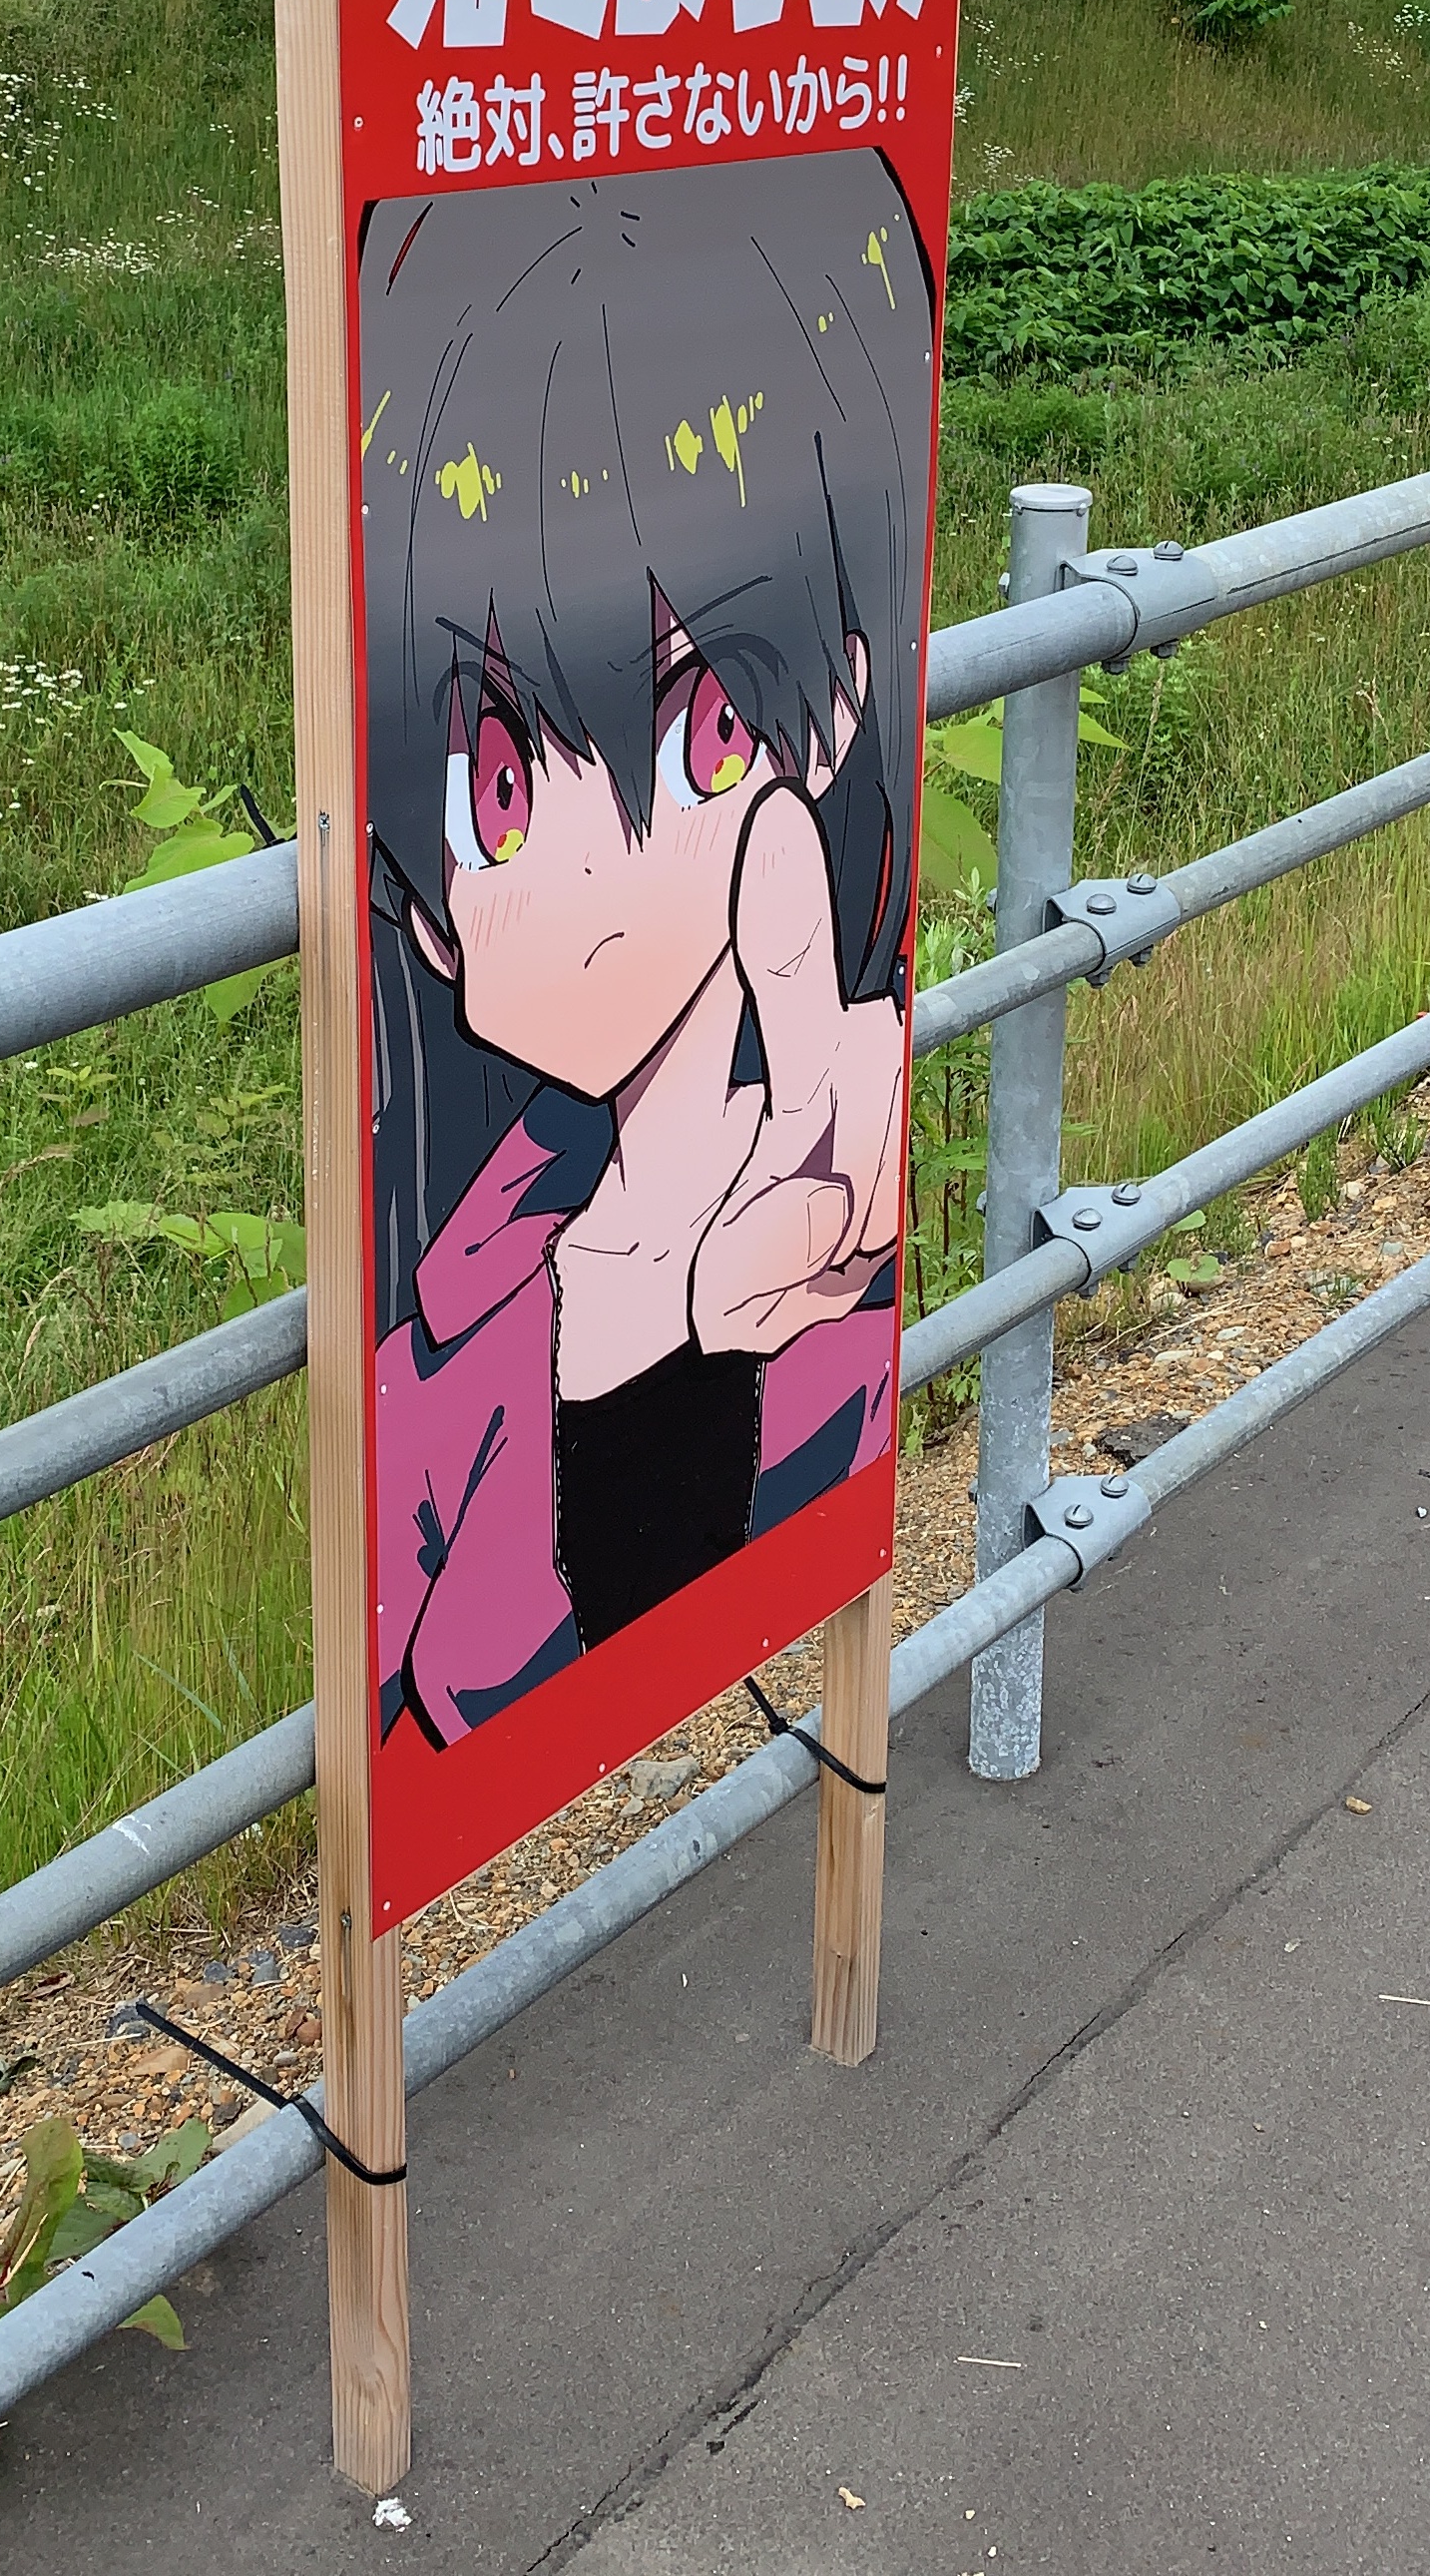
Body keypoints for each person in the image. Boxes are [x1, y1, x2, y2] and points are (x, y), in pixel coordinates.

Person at [360, 147, 936, 1753]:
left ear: (833, 704)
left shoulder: (843, 1180)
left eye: (697, 731)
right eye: (499, 788)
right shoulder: (445, 1318)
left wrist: (782, 1309)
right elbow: (425, 1717)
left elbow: (827, 1465)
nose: (589, 874)